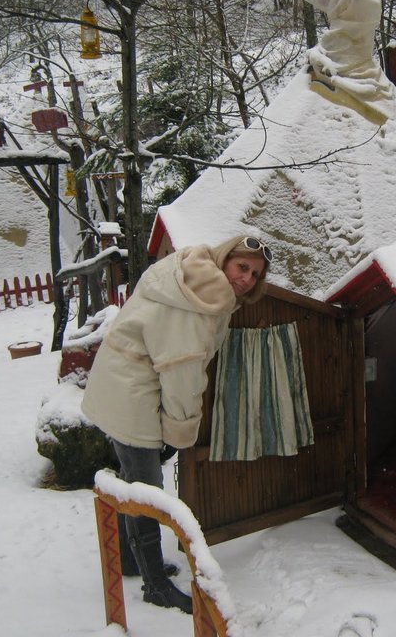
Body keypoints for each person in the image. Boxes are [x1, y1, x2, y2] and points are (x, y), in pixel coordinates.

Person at [81, 235, 272, 614]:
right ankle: (154, 585)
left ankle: (133, 560)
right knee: (148, 490)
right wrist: (180, 430)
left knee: (131, 480)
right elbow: (182, 373)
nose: (247, 279)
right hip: (133, 393)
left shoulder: (195, 277)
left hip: (123, 382)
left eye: (255, 274)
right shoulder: (198, 301)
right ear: (225, 258)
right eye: (242, 267)